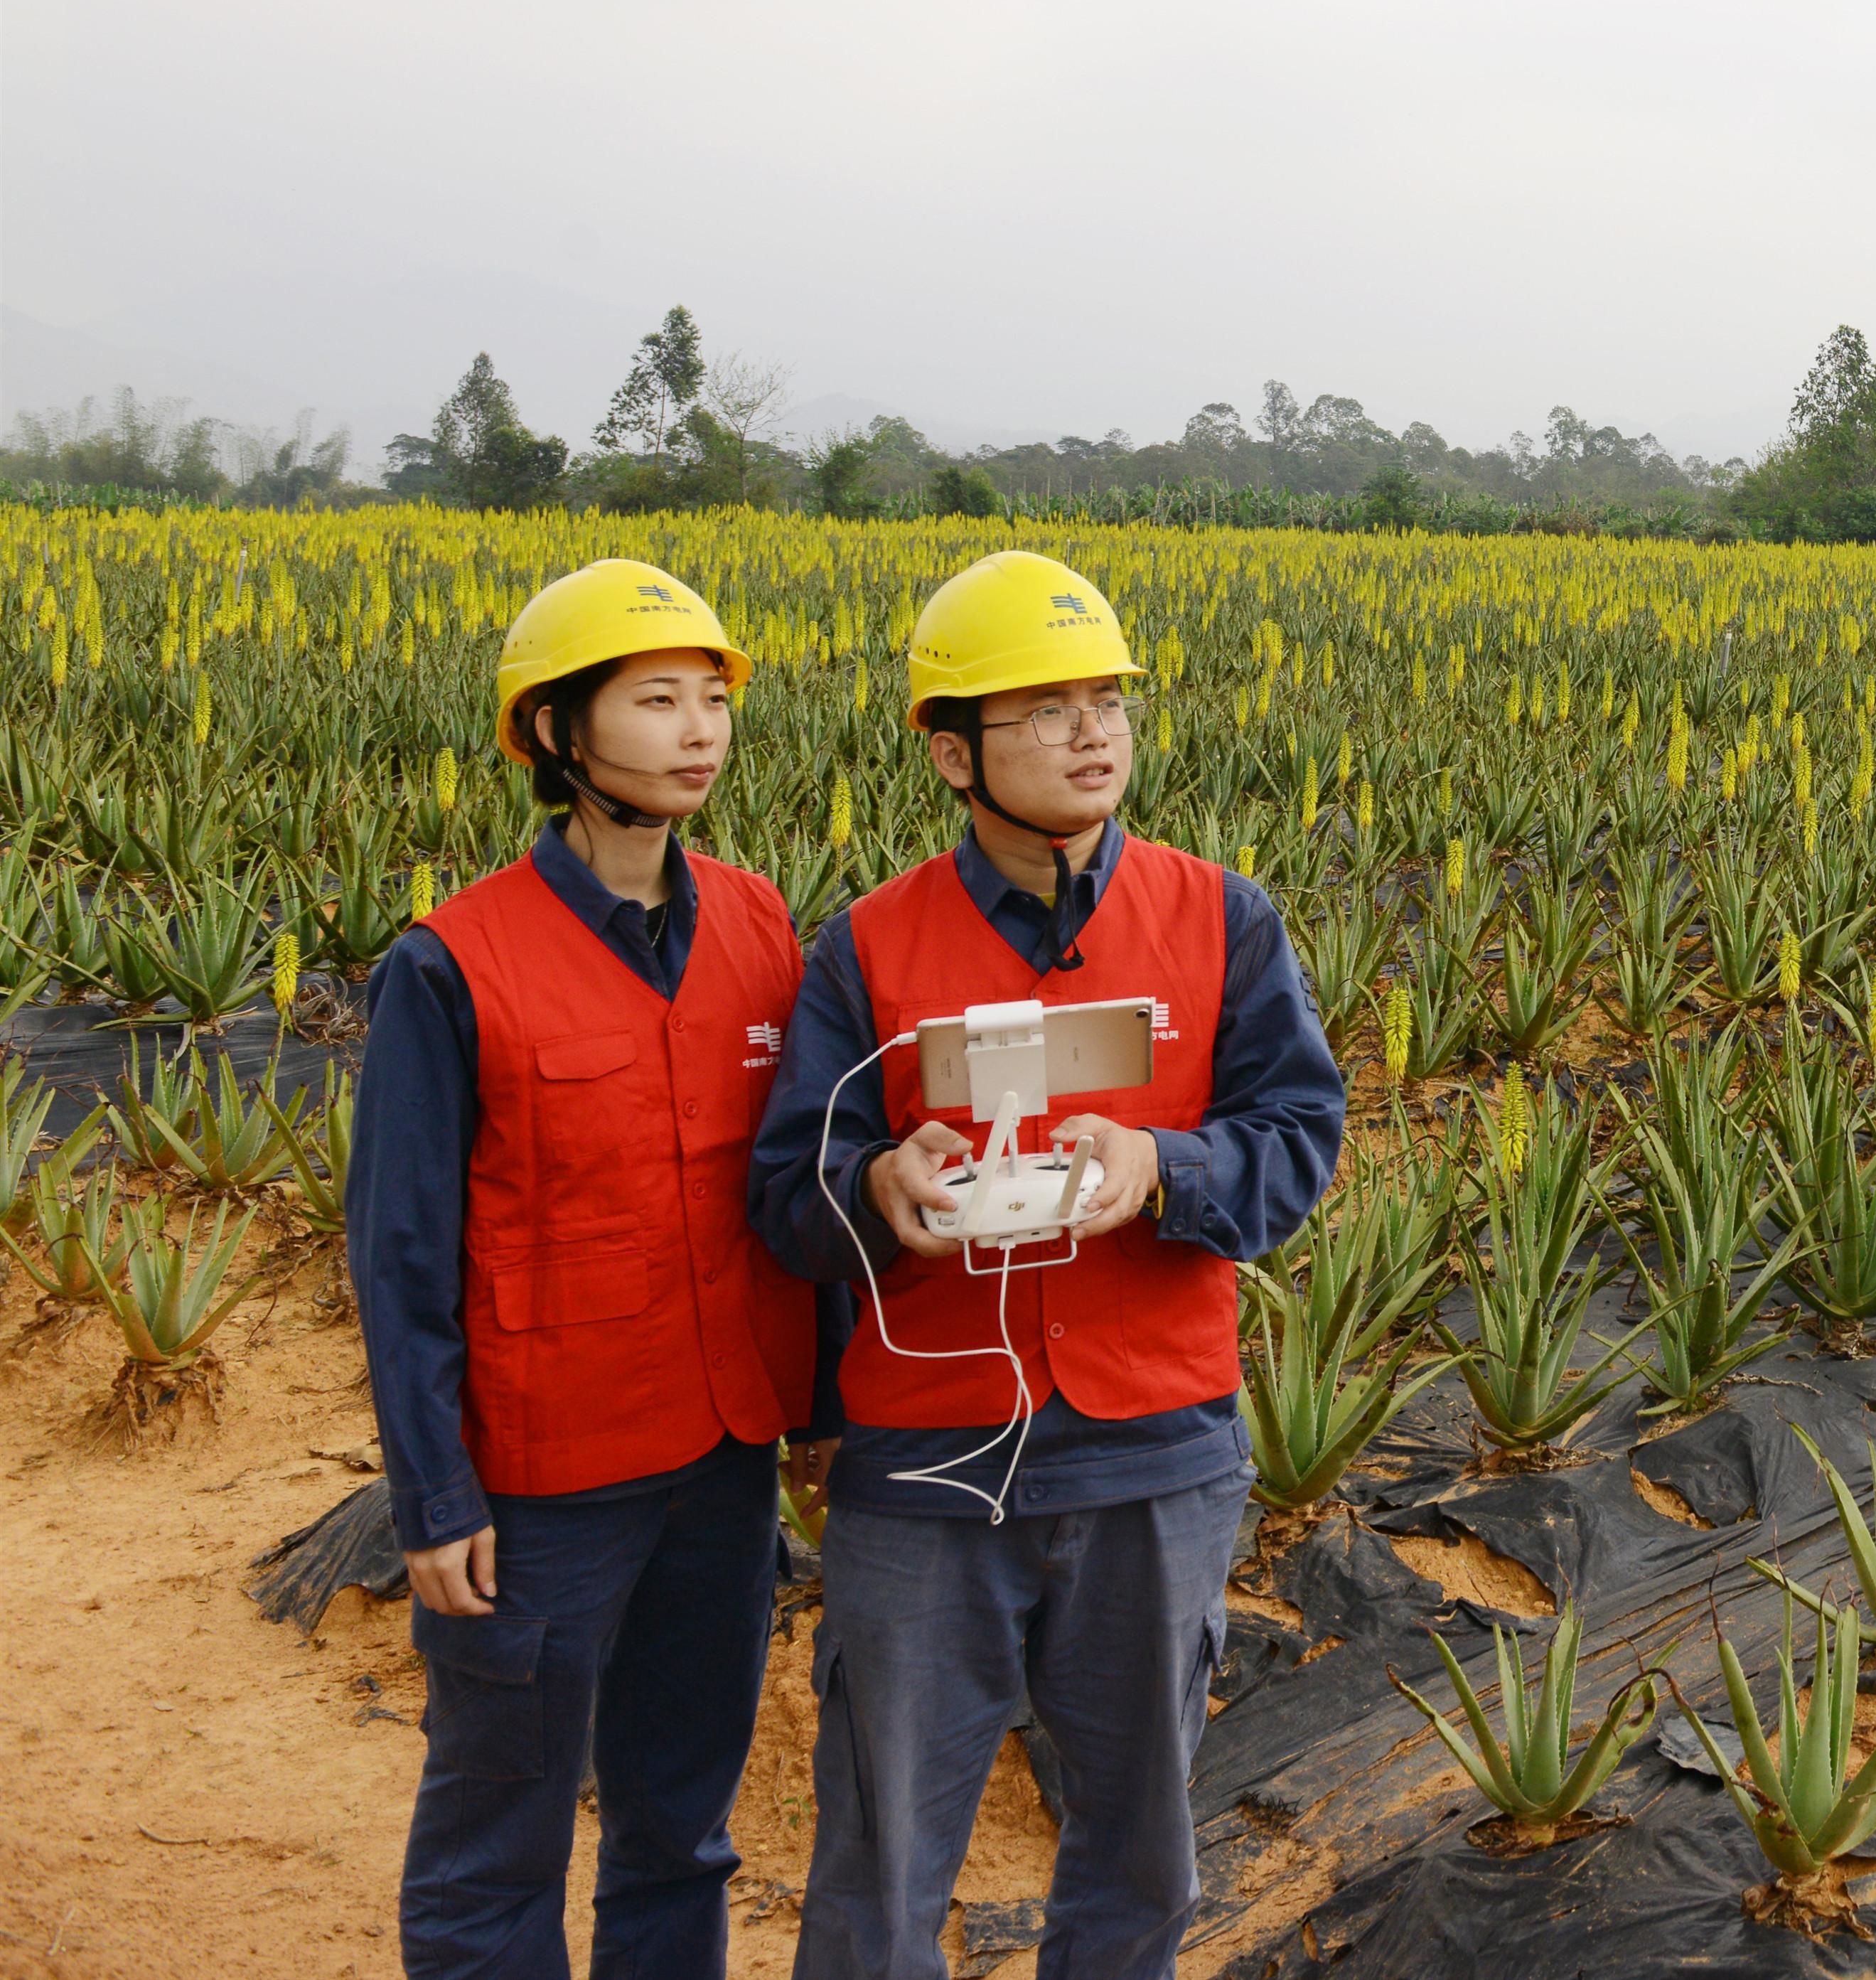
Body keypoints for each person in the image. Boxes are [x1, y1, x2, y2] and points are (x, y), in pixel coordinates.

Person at [747, 550, 1344, 1980]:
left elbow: (1298, 1140)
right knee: (883, 1844)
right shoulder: (867, 947)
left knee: (1138, 1848)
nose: (1092, 731)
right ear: (952, 751)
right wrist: (879, 1187)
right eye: (1044, 708)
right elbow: (784, 1192)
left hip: (1154, 1449)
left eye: (1108, 700)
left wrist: (1162, 1169)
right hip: (928, 1465)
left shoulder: (1224, 918)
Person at [348, 557, 826, 1979]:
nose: (700, 731)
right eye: (656, 699)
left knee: (681, 1826)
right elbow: (401, 1251)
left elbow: (793, 1188)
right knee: (498, 1836)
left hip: (723, 1458)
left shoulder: (758, 922)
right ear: (557, 733)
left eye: (714, 700)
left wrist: (832, 1415)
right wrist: (432, 1499)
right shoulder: (452, 963)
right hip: (539, 1484)